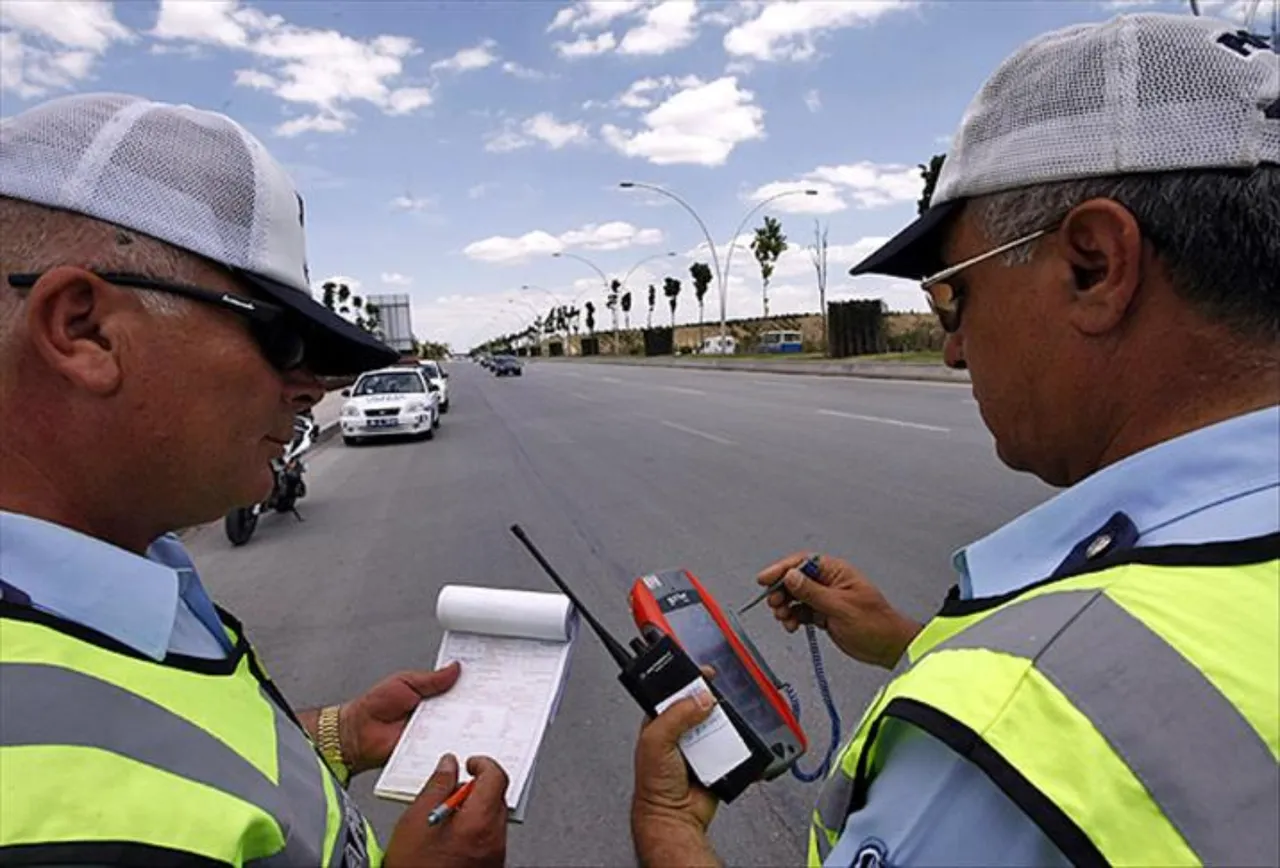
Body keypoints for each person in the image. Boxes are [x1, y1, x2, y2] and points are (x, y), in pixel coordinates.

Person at [631, 12, 1278, 867]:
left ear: (1094, 265)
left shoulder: (1005, 738)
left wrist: (668, 831)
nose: (951, 347)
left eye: (953, 296)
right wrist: (908, 640)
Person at [0, 94, 508, 866]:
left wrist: (333, 736)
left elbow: (178, 757)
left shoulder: (131, 573)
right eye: (279, 337)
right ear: (84, 330)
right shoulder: (39, 810)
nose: (309, 387)